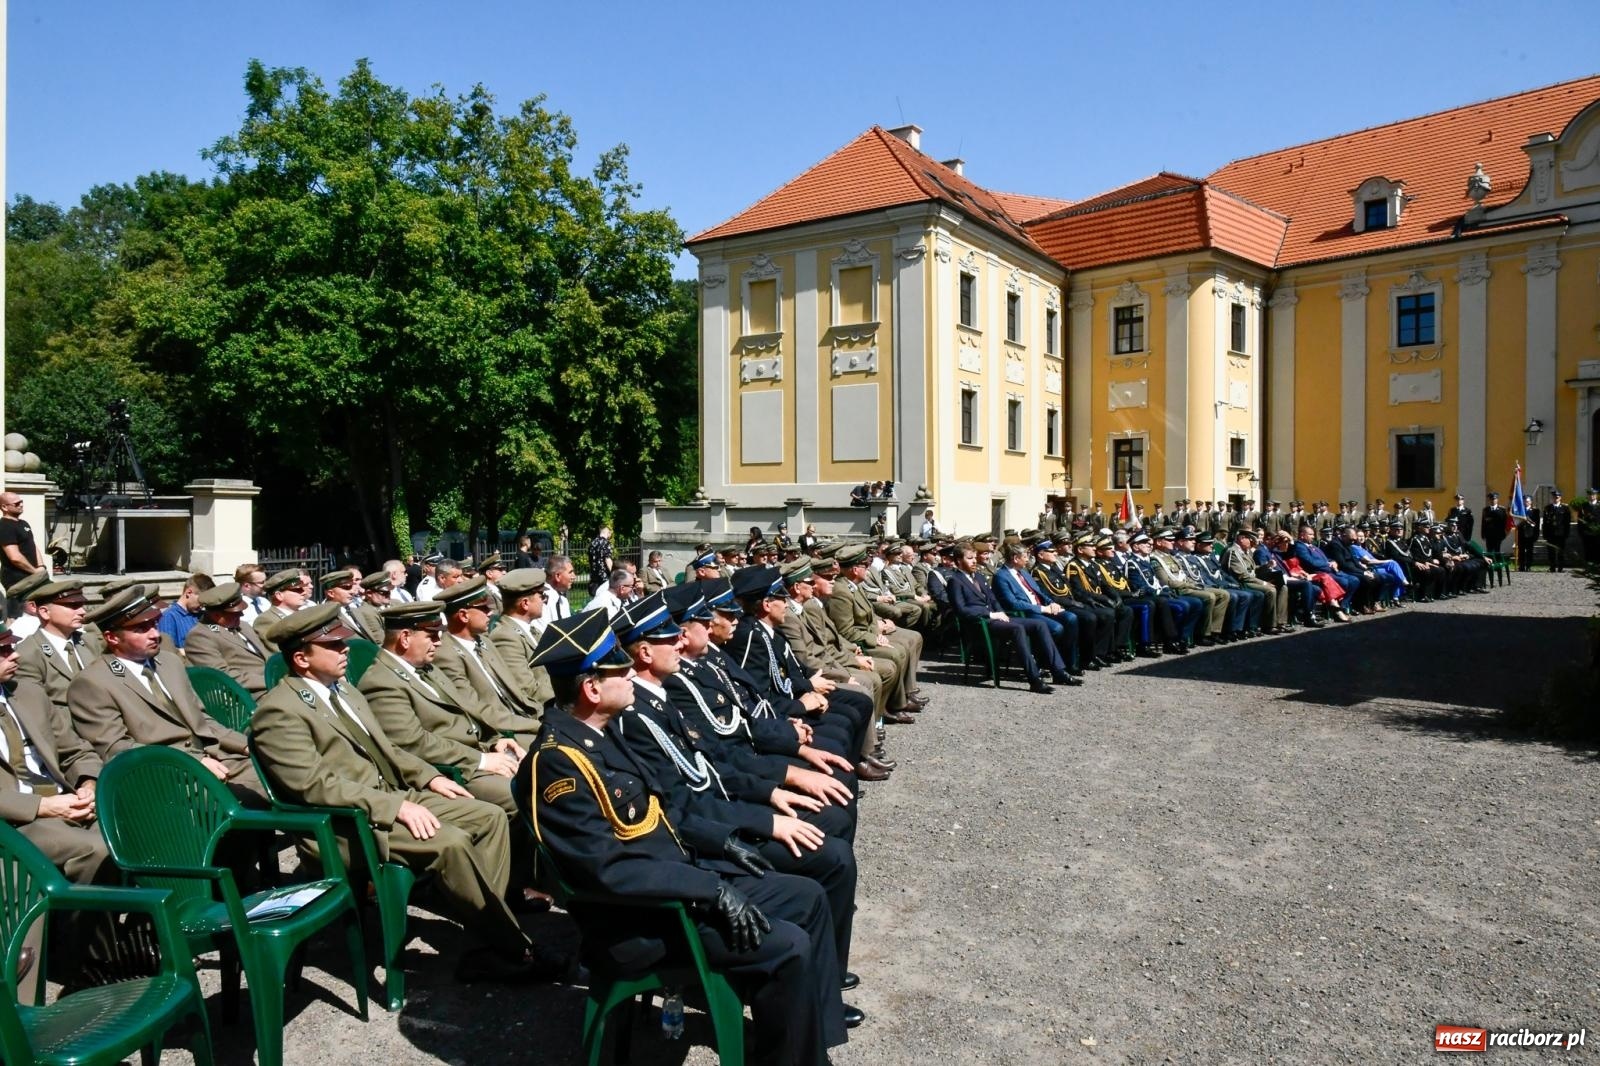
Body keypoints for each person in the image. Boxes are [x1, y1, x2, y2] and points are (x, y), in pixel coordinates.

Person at [521, 610, 847, 1066]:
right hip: (642, 920)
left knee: (806, 896)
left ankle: (810, 1045)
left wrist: (723, 841)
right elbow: (604, 869)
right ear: (592, 688)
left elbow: (667, 809)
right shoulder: (558, 765)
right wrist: (710, 888)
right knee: (788, 946)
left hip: (678, 881)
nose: (631, 676)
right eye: (620, 671)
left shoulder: (601, 734)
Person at [250, 601, 560, 983]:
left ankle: (483, 937)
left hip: (388, 799)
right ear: (301, 658)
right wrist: (394, 806)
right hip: (348, 824)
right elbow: (316, 787)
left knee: (490, 816)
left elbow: (389, 749)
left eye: (343, 643)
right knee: (452, 843)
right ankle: (512, 948)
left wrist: (430, 778)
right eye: (333, 646)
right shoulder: (279, 711)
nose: (346, 650)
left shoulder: (341, 690)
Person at [67, 587, 266, 803]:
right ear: (112, 638)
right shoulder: (92, 683)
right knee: (260, 797)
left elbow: (202, 720)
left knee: (287, 778)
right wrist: (192, 762)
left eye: (153, 624)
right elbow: (118, 749)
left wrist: (247, 745)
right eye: (141, 629)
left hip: (216, 758)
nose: (154, 634)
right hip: (168, 776)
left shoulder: (169, 662)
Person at [947, 546, 1069, 693]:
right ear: (959, 561)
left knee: (1039, 624)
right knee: (1017, 629)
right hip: (980, 623)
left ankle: (1058, 671)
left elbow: (993, 599)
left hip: (997, 618)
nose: (974, 561)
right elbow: (961, 609)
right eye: (970, 558)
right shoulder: (955, 580)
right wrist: (990, 615)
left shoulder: (978, 577)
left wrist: (1001, 612)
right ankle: (1034, 679)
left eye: (974, 558)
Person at [14, 580, 93, 717]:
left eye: (81, 605)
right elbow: (39, 713)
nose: (82, 611)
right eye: (73, 605)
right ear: (45, 612)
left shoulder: (88, 641)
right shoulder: (28, 653)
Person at [484, 569, 556, 709]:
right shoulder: (505, 637)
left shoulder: (531, 630)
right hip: (543, 711)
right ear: (525, 603)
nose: (544, 601)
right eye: (542, 595)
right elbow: (528, 690)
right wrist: (567, 694)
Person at [181, 582, 270, 697]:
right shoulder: (200, 636)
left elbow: (265, 656)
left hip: (273, 684)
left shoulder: (243, 626)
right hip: (247, 696)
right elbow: (222, 676)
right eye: (236, 613)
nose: (242, 614)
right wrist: (268, 681)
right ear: (217, 615)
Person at [0, 492, 45, 620]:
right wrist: (35, 572)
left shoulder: (23, 523)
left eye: (21, 502)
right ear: (4, 507)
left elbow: (33, 545)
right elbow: (14, 557)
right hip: (16, 578)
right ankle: (13, 639)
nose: (21, 505)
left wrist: (41, 566)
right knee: (18, 616)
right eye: (16, 503)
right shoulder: (4, 526)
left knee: (38, 610)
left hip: (33, 575)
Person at [156, 572, 212, 650]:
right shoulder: (169, 617)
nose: (203, 605)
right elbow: (167, 651)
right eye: (201, 601)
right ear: (189, 592)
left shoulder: (203, 615)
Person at [1542, 490, 1572, 571]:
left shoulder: (1565, 508)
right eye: (1554, 497)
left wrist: (1566, 533)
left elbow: (1567, 522)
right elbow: (1545, 522)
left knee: (1560, 551)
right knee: (1551, 551)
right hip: (1550, 533)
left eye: (1557, 497)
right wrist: (1545, 534)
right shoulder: (1547, 508)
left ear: (1560, 498)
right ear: (1552, 498)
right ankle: (1552, 566)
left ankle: (1560, 567)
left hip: (1561, 533)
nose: (1556, 498)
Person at [542, 555, 575, 623]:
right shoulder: (542, 602)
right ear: (557, 576)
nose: (574, 576)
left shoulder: (563, 601)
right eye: (570, 572)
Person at [586, 527, 615, 596]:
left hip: (594, 576)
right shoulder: (606, 543)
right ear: (608, 533)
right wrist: (614, 573)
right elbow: (607, 560)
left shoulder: (592, 543)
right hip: (604, 577)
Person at [1482, 492, 1510, 558]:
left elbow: (1504, 522)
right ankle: (1490, 566)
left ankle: (1497, 566)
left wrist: (1504, 533)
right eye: (1491, 499)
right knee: (1489, 550)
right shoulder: (1486, 510)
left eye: (1494, 499)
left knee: (1497, 550)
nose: (1493, 501)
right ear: (1489, 500)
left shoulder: (1502, 510)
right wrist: (1483, 534)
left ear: (1497, 500)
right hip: (1489, 534)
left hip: (1498, 534)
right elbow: (1483, 523)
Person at [1579, 488, 1600, 565]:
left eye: (1593, 494)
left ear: (1596, 495)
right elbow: (1580, 519)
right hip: (1587, 532)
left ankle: (1597, 566)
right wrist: (1581, 532)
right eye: (1590, 495)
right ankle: (1588, 566)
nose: (1591, 496)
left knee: (1597, 550)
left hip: (1597, 533)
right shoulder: (1584, 506)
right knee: (1587, 550)